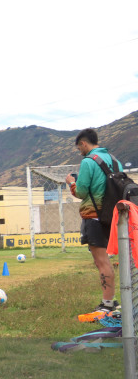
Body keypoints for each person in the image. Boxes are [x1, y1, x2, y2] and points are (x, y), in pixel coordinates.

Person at [65, 128, 122, 313]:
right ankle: (115, 301)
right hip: (114, 216)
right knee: (113, 259)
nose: (79, 151)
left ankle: (107, 304)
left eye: (79, 147)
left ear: (83, 143)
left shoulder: (88, 162)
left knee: (101, 261)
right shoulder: (115, 161)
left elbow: (81, 192)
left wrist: (72, 183)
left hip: (94, 217)